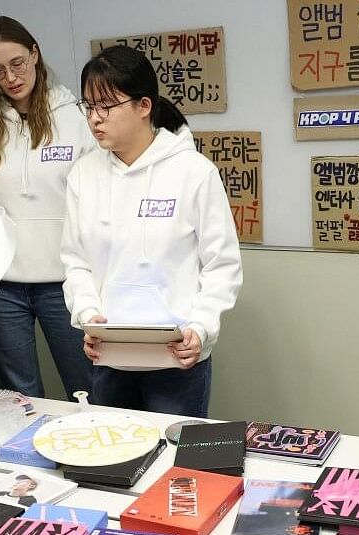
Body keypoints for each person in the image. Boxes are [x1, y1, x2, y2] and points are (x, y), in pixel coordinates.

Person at [61, 46, 243, 417]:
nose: (95, 119)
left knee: (174, 468)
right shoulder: (83, 174)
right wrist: (86, 312)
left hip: (176, 358)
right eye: (89, 106)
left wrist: (201, 327)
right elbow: (75, 260)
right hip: (110, 357)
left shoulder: (194, 172)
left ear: (144, 106)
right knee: (110, 463)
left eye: (107, 106)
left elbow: (222, 265)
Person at [0, 16, 95, 400]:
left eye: (18, 63)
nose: (11, 78)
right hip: (2, 285)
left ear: (35, 54)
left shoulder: (79, 121)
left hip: (65, 280)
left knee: (88, 389)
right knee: (18, 397)